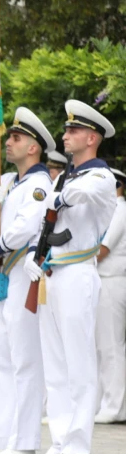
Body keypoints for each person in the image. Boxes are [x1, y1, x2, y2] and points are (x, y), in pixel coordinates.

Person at [23, 100, 117, 454]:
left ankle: (78, 449)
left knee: (79, 365)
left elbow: (86, 195)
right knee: (56, 365)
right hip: (52, 274)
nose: (65, 134)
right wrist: (35, 254)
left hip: (78, 273)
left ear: (91, 137)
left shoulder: (100, 176)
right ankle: (60, 442)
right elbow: (45, 223)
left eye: (73, 130)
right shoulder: (66, 177)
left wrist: (60, 195)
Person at [0, 108, 54, 454]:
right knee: (0, 363)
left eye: (17, 139)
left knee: (23, 361)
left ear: (33, 147)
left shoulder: (38, 185)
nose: (10, 143)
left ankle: (25, 441)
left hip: (21, 272)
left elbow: (24, 226)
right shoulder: (12, 182)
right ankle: (4, 437)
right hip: (2, 276)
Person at [94, 167, 126, 424]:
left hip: (112, 280)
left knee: (111, 345)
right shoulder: (108, 209)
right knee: (100, 346)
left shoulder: (119, 209)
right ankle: (105, 402)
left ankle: (115, 406)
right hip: (99, 280)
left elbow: (102, 249)